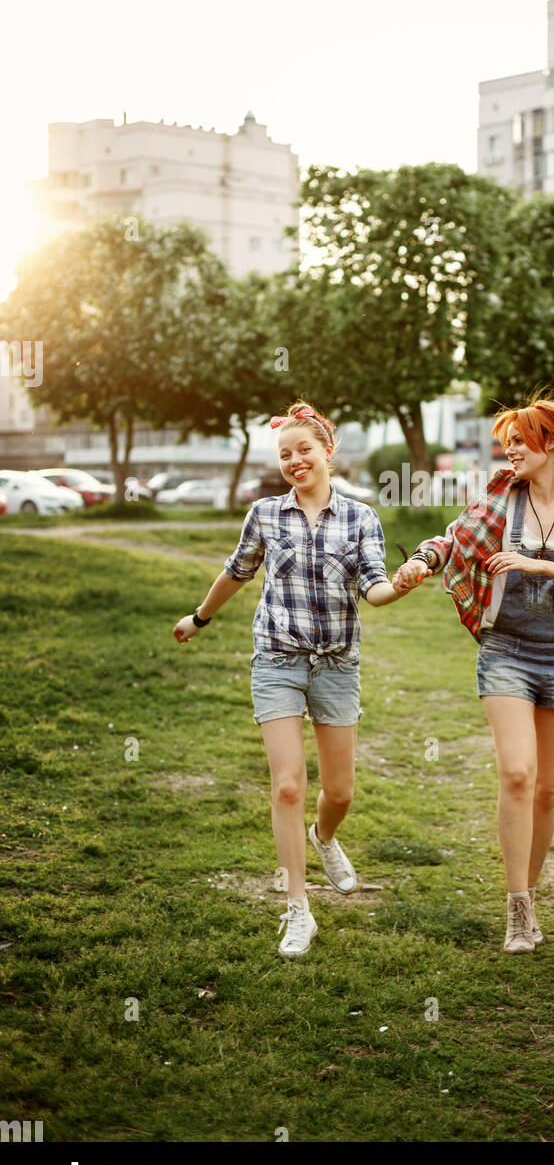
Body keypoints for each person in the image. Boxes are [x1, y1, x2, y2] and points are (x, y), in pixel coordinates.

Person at [172, 401, 412, 960]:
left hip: (336, 664)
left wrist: (401, 584)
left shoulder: (361, 519)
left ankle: (323, 837)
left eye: (304, 449)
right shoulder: (264, 514)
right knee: (287, 785)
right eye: (285, 454)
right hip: (276, 658)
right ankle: (298, 910)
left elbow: (374, 587)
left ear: (328, 452)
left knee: (341, 791)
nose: (295, 460)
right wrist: (199, 617)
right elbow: (237, 570)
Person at [393, 395, 554, 956]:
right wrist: (422, 561)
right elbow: (453, 538)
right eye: (507, 440)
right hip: (507, 652)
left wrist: (537, 563)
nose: (510, 448)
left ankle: (532, 895)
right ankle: (517, 909)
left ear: (552, 443)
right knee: (517, 774)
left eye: (521, 439)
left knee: (547, 789)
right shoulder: (501, 497)